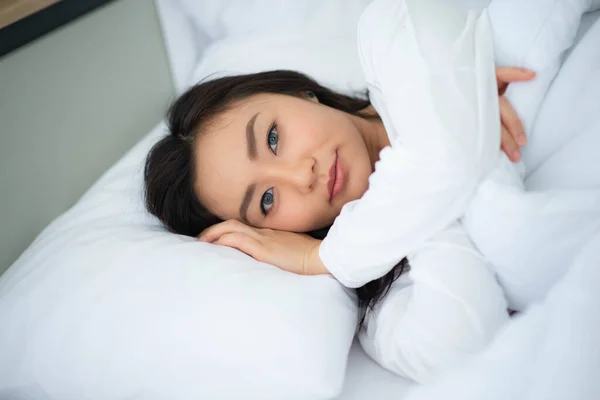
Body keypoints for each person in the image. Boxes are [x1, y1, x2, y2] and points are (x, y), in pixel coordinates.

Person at [145, 0, 600, 382]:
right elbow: (462, 349)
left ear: (298, 92)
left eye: (273, 138)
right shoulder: (380, 288)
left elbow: (449, 159)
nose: (300, 176)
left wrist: (327, 256)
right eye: (267, 201)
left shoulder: (388, 34)